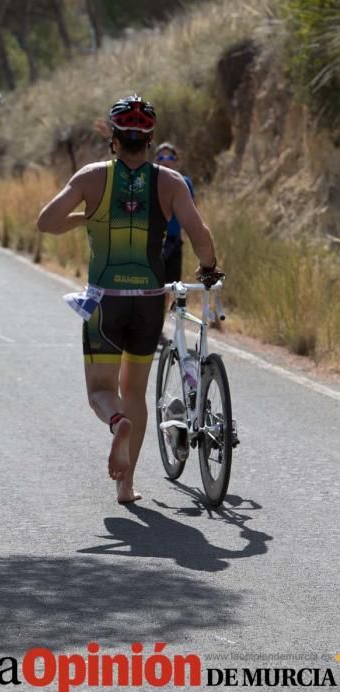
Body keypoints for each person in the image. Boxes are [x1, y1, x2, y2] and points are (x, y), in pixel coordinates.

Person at [37, 95, 221, 504]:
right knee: (135, 390)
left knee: (101, 391)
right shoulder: (170, 182)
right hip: (149, 301)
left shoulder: (91, 177)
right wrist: (209, 268)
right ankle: (126, 485)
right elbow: (200, 235)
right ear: (150, 140)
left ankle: (115, 421)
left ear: (113, 140)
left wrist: (91, 213)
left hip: (105, 301)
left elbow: (46, 222)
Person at [154, 142, 195, 344]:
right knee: (155, 288)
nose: (166, 161)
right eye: (161, 158)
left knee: (171, 289)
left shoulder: (184, 182)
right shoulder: (152, 181)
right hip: (155, 243)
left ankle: (161, 331)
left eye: (170, 158)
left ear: (176, 161)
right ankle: (151, 330)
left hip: (174, 243)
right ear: (155, 161)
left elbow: (190, 215)